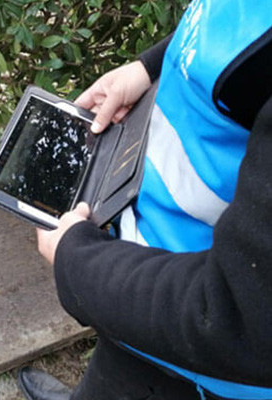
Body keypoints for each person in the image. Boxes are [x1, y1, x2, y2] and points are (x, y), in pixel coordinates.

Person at [17, 1, 272, 399]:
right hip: (143, 276)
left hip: (197, 355)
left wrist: (76, 259)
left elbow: (242, 319)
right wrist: (152, 67)